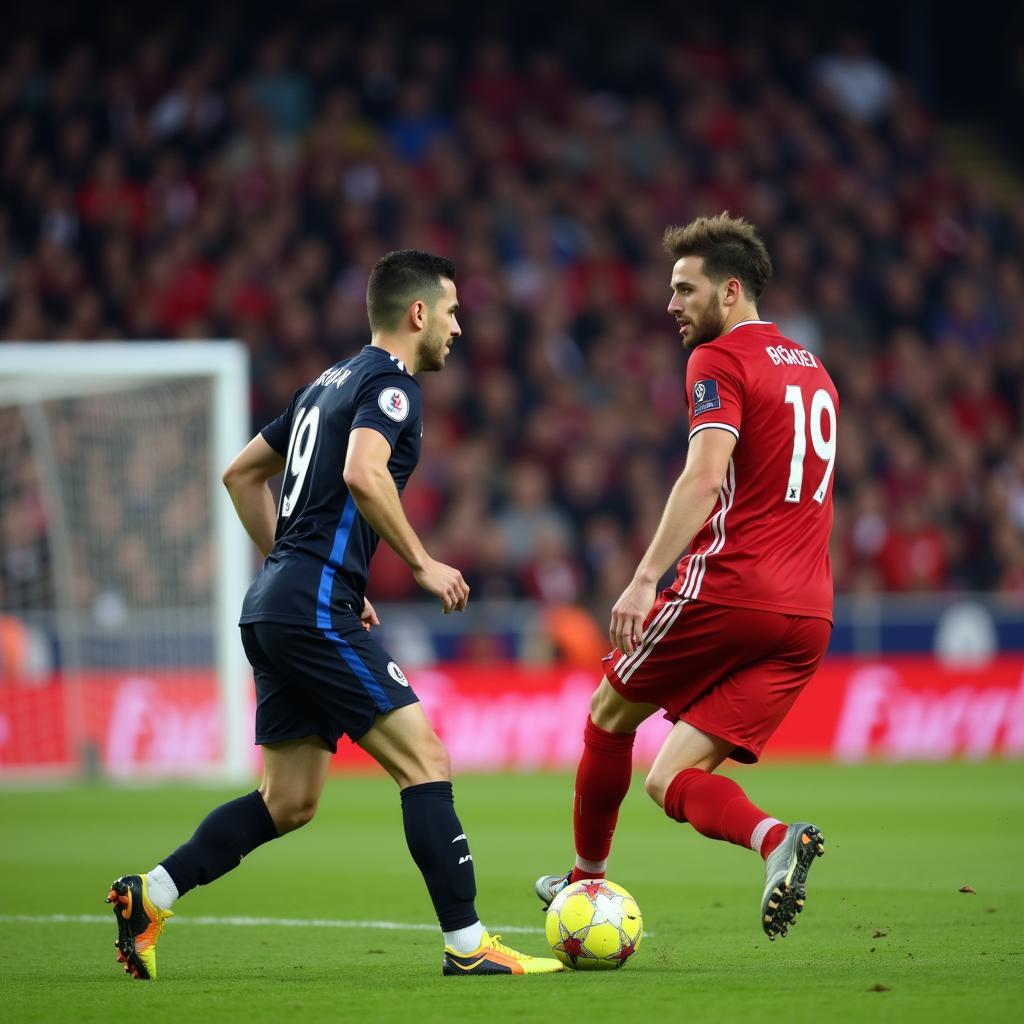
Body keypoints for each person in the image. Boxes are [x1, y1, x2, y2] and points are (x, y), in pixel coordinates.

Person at [107, 250, 563, 978]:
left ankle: (150, 895)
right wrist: (419, 562)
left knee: (288, 801)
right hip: (310, 601)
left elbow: (240, 473)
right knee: (426, 761)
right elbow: (362, 470)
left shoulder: (324, 383)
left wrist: (297, 563)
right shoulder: (391, 386)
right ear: (417, 314)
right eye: (450, 312)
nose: (459, 328)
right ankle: (469, 946)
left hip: (277, 601)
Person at [535, 214, 837, 940]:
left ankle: (583, 885)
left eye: (684, 289)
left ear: (730, 292)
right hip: (811, 613)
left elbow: (705, 476)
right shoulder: (815, 371)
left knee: (607, 718)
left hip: (731, 588)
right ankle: (775, 841)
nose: (671, 304)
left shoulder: (719, 358)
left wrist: (644, 578)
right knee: (668, 780)